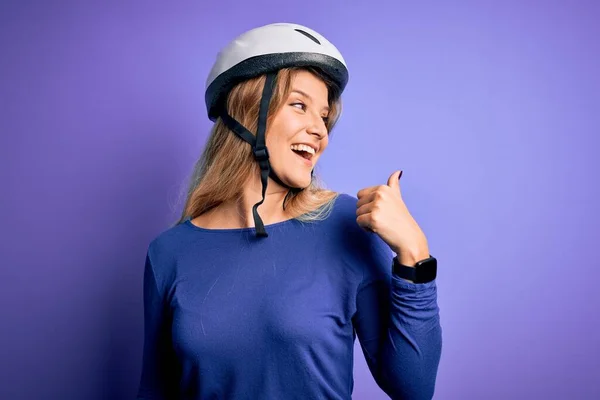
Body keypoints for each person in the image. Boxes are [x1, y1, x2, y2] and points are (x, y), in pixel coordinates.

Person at [137, 23, 442, 400]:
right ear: (246, 111)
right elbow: (154, 391)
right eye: (300, 105)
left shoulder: (345, 225)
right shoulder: (168, 254)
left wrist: (415, 254)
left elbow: (413, 388)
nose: (320, 131)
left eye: (324, 116)